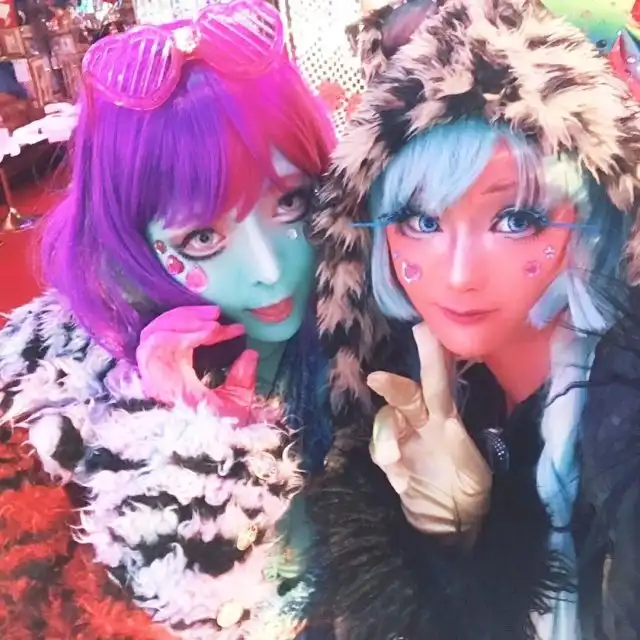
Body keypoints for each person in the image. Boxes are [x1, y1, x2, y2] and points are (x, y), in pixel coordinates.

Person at [0, 1, 335, 637]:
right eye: (202, 238)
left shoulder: (376, 341)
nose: (267, 270)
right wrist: (199, 450)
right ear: (131, 241)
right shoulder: (58, 407)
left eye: (291, 201)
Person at [307, 0, 640, 638]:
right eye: (420, 221)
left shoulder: (621, 421)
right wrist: (448, 545)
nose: (458, 275)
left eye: (515, 220)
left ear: (596, 223)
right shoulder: (410, 383)